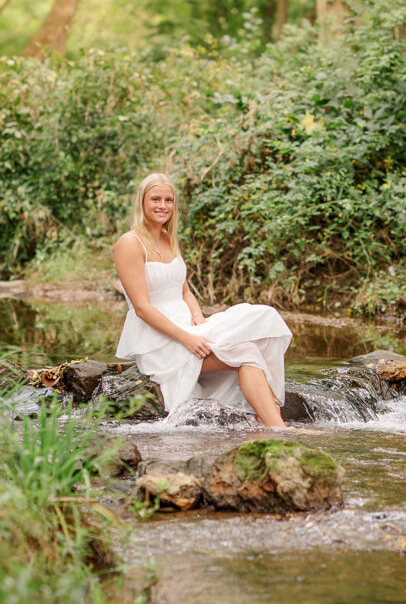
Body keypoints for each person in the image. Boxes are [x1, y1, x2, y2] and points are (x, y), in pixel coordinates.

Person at [113, 173, 293, 428]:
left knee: (264, 317)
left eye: (168, 200)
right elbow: (142, 309)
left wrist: (198, 319)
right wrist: (186, 338)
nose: (162, 206)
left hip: (190, 326)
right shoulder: (129, 244)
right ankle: (278, 427)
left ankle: (271, 421)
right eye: (155, 199)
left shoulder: (167, 238)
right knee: (247, 350)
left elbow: (184, 292)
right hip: (161, 341)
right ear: (142, 201)